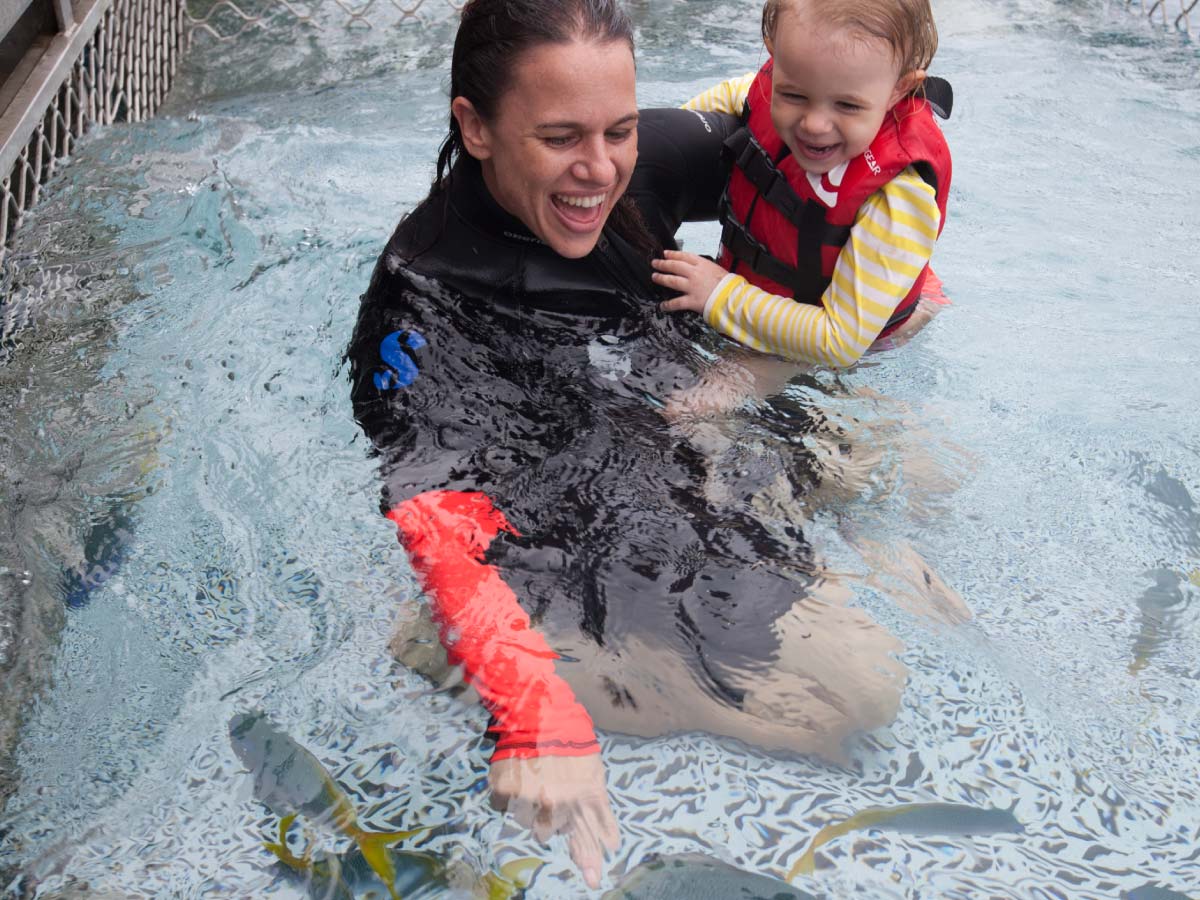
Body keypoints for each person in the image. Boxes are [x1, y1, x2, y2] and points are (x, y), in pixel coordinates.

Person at [349, 0, 908, 889]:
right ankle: (441, 642)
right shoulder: (419, 302)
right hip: (558, 526)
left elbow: (823, 135)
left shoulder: (635, 169)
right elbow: (435, 510)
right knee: (849, 699)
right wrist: (531, 711)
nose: (600, 170)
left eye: (619, 130)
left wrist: (888, 267)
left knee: (907, 482)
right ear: (476, 127)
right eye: (560, 138)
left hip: (675, 429)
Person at [651, 0, 953, 368]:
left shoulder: (899, 196)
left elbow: (839, 342)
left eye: (847, 105)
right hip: (781, 301)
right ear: (775, 55)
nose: (814, 124)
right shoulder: (783, 83)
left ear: (899, 89)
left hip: (855, 337)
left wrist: (719, 294)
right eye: (794, 95)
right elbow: (702, 114)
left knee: (702, 400)